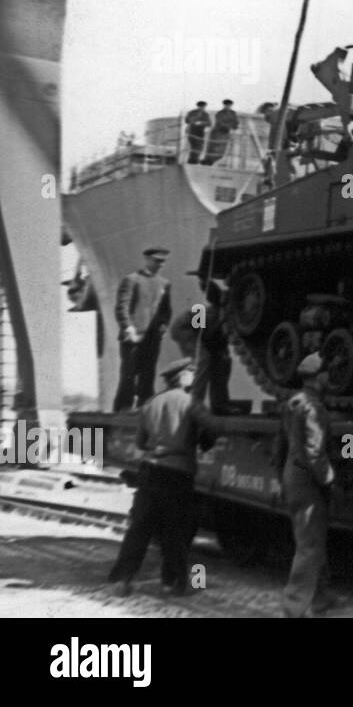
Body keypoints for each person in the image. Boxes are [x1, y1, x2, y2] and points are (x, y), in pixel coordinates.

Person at [106, 358, 217, 597]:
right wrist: (202, 442)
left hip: (149, 472)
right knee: (175, 531)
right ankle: (173, 583)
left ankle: (122, 580)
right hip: (177, 474)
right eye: (191, 372)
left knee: (139, 529)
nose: (193, 376)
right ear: (183, 376)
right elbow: (213, 427)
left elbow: (140, 442)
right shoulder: (191, 403)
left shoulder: (151, 403)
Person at [272, 353, 339, 617]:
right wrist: (330, 480)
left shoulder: (292, 403)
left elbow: (279, 447)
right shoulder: (313, 408)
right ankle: (294, 606)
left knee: (312, 539)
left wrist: (281, 478)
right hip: (308, 481)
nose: (328, 377)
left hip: (292, 476)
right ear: (318, 377)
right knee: (309, 544)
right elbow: (315, 452)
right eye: (325, 373)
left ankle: (320, 597)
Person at [114, 248, 173, 412]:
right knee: (128, 374)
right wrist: (128, 327)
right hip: (133, 337)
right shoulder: (131, 280)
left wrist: (163, 325)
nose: (160, 264)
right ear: (147, 259)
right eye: (157, 260)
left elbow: (166, 311)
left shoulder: (165, 284)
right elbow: (121, 307)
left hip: (152, 338)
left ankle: (145, 408)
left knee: (148, 374)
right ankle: (122, 409)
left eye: (163, 261)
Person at [169, 277, 234, 414]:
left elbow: (219, 341)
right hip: (185, 327)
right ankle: (194, 403)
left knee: (222, 362)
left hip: (202, 332)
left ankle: (219, 405)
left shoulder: (226, 316)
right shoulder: (208, 312)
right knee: (203, 360)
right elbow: (200, 331)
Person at [202, 99, 240, 166]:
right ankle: (207, 161)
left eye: (229, 105)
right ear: (224, 105)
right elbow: (220, 122)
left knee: (221, 152)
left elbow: (236, 122)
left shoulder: (233, 113)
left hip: (225, 134)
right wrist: (230, 126)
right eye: (226, 105)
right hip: (217, 133)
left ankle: (210, 161)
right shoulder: (219, 113)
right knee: (213, 149)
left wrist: (233, 126)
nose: (228, 106)